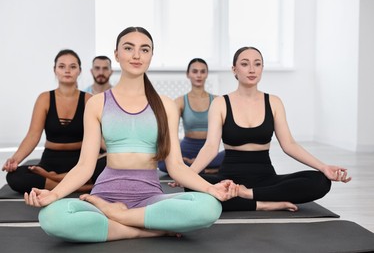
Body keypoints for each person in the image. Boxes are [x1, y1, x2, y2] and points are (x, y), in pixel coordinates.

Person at [24, 27, 238, 243]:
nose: (136, 55)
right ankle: (145, 229)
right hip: (103, 196)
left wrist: (211, 189)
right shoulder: (97, 103)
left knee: (209, 207)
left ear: (151, 56)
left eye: (144, 50)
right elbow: (84, 167)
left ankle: (120, 218)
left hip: (150, 199)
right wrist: (54, 194)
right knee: (50, 217)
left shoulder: (165, 105)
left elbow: (176, 166)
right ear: (117, 54)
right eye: (129, 48)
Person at [180, 46, 351, 212]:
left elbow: (289, 144)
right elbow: (210, 147)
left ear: (262, 68)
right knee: (192, 187)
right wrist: (189, 175)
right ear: (234, 70)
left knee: (320, 181)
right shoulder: (220, 103)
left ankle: (247, 195)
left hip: (266, 179)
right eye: (245, 64)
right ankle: (264, 204)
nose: (252, 69)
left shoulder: (274, 102)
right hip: (229, 182)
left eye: (257, 64)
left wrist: (323, 167)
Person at [2, 49, 106, 194]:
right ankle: (78, 186)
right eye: (62, 66)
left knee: (110, 163)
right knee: (15, 177)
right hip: (50, 162)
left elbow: (99, 138)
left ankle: (56, 180)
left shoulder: (89, 99)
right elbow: (33, 135)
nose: (67, 71)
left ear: (79, 71)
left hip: (81, 161)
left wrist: (115, 153)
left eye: (73, 67)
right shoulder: (44, 99)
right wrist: (15, 159)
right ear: (55, 70)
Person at [158, 58, 224, 174]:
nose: (199, 75)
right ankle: (204, 169)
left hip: (209, 151)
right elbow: (168, 131)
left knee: (233, 156)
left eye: (202, 71)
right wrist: (176, 157)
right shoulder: (180, 101)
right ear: (188, 74)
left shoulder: (217, 100)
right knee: (161, 163)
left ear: (206, 74)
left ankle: (192, 167)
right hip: (186, 151)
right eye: (195, 71)